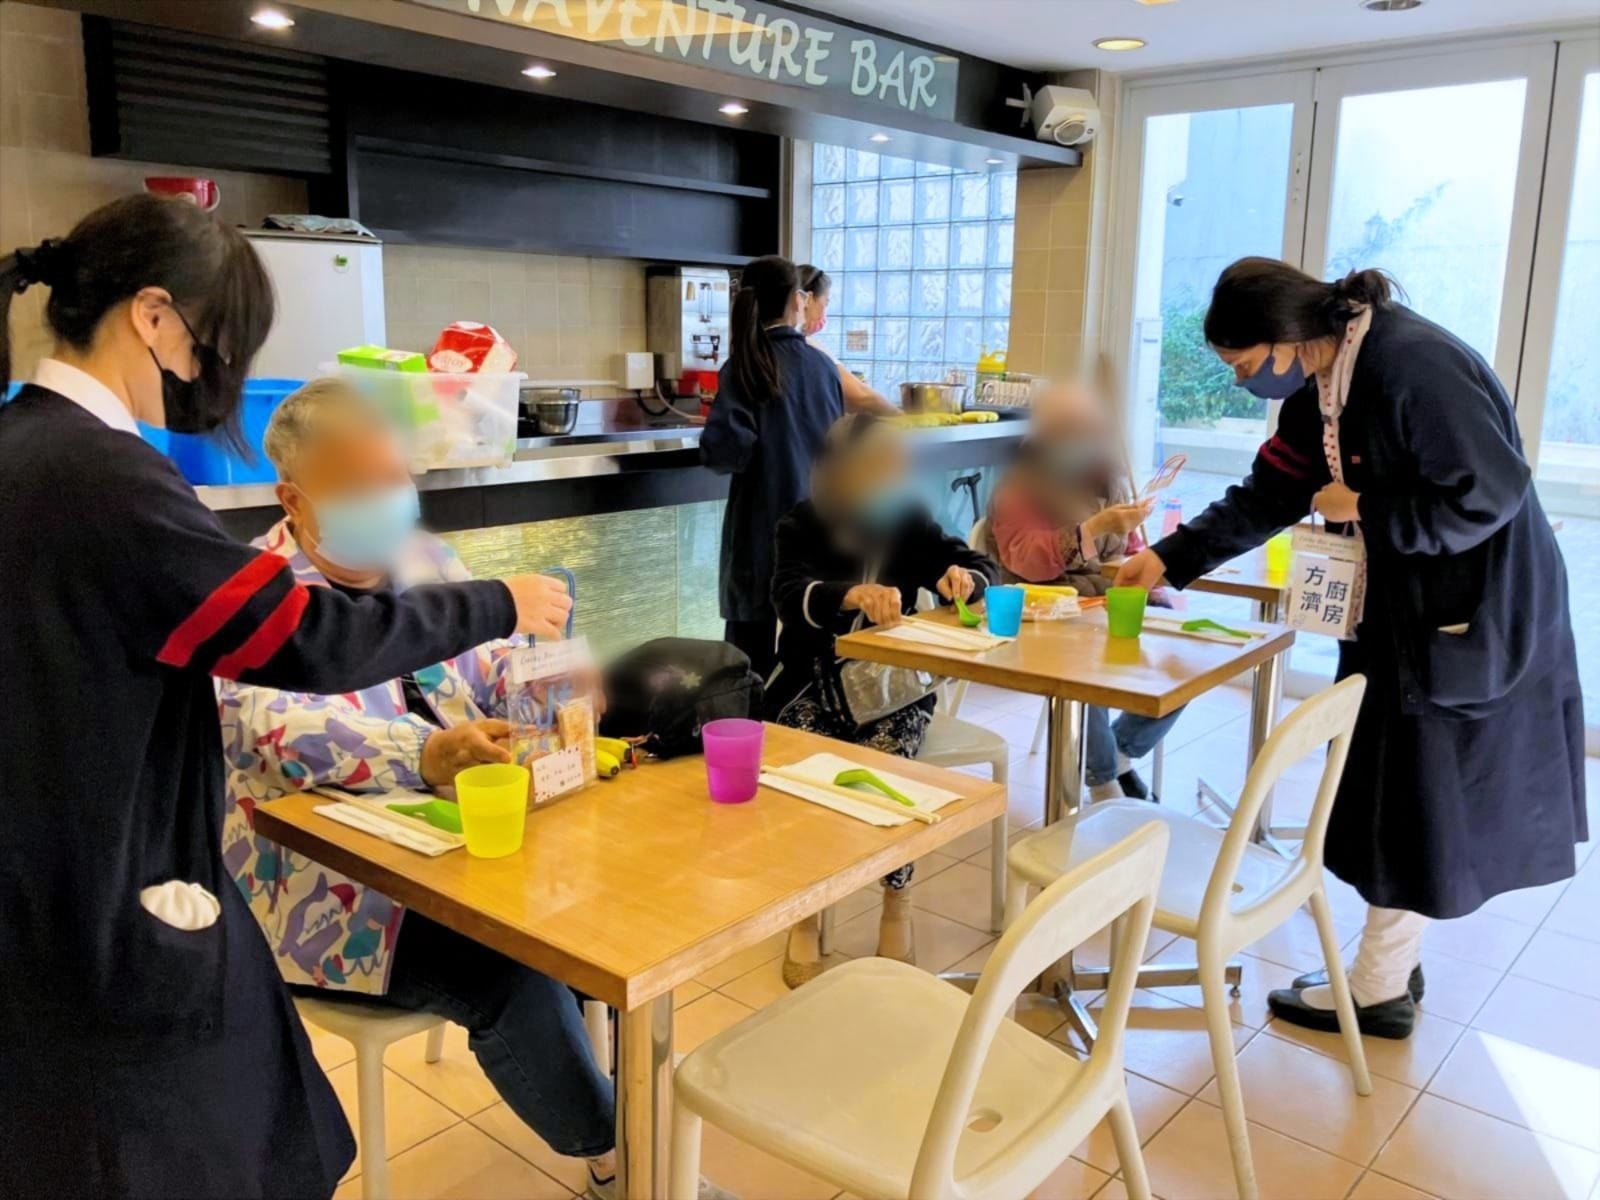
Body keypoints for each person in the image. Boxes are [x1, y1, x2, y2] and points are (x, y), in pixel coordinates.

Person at [0, 195, 574, 1199]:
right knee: (210, 1141)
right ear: (153, 316)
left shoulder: (28, 447)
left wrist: (552, 684)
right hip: (129, 894)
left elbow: (486, 676)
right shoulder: (102, 477)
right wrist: (497, 605)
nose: (212, 380)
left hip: (60, 876)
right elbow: (301, 645)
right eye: (218, 349)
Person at [1116, 257, 1585, 1039]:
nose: (1242, 382)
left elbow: (1490, 492)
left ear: (1285, 336)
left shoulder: (1411, 365)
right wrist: (1171, 557)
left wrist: (1365, 505)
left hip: (1465, 611)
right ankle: (1391, 967)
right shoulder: (1323, 389)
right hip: (1397, 606)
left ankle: (1376, 991)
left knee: (1413, 795)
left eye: (1242, 364)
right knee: (1384, 787)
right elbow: (1271, 492)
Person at [218, 379, 638, 1197]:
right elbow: (274, 730)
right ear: (293, 498)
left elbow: (491, 666)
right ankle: (616, 1155)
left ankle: (618, 1099)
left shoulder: (425, 560)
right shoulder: (255, 596)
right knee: (507, 973)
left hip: (468, 844)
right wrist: (429, 754)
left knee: (603, 920)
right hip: (334, 890)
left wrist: (553, 679)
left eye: (396, 476)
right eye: (361, 485)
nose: (390, 499)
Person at [770, 413, 1000, 985]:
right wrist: (851, 594)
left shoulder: (908, 521)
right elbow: (787, 594)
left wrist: (962, 578)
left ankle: (897, 902)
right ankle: (806, 908)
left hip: (893, 688)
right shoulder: (801, 524)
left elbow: (981, 565)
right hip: (814, 681)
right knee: (804, 769)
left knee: (889, 768)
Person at [984, 383, 1178, 801]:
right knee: (1084, 665)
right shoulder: (1019, 488)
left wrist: (1146, 575)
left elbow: (1131, 549)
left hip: (1104, 601)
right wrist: (1094, 528)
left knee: (1185, 658)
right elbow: (1025, 559)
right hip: (1044, 608)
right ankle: (1102, 778)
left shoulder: (1107, 477)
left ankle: (1120, 753)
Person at [702, 255, 843, 682]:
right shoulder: (823, 367)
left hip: (760, 535)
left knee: (749, 667)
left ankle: (750, 724)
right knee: (809, 663)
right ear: (797, 300)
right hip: (818, 537)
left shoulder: (743, 367)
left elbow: (725, 454)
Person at [796, 264, 898, 415]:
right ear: (808, 300)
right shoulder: (808, 346)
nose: (825, 312)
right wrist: (902, 418)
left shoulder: (774, 341)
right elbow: (862, 397)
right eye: (826, 303)